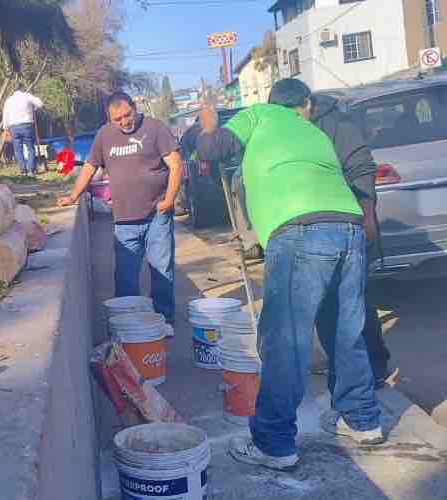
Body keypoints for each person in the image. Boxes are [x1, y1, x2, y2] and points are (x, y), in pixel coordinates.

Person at [196, 78, 383, 471]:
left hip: (300, 232)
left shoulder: (258, 115)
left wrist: (208, 126)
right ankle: (363, 421)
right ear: (304, 105)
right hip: (348, 229)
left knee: (286, 340)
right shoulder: (314, 132)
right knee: (346, 331)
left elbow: (213, 150)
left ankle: (274, 444)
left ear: (272, 102)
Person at [58, 91, 183, 327]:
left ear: (134, 108)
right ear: (109, 118)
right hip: (125, 220)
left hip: (157, 215)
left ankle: (164, 320)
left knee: (162, 270)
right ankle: (128, 325)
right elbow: (89, 167)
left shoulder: (155, 128)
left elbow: (176, 165)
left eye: (127, 115)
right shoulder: (104, 136)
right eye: (118, 119)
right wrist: (74, 195)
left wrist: (169, 200)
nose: (125, 121)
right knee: (125, 277)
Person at [308, 92, 392, 389]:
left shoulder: (337, 125)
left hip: (349, 224)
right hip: (314, 230)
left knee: (355, 302)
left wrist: (367, 216)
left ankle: (375, 366)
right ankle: (344, 366)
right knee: (325, 306)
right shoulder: (291, 129)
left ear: (305, 104)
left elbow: (362, 169)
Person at [2, 85, 43, 176]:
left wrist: (5, 128)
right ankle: (31, 170)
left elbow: (5, 115)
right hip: (26, 125)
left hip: (14, 127)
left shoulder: (9, 100)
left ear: (14, 90)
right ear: (22, 89)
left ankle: (23, 171)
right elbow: (40, 103)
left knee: (18, 150)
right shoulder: (27, 96)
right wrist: (34, 108)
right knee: (30, 147)